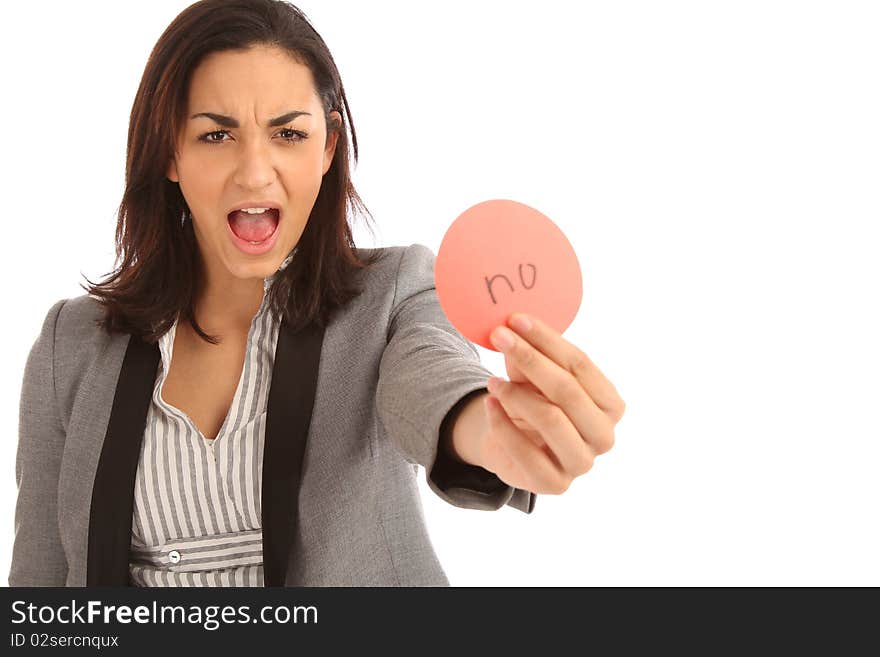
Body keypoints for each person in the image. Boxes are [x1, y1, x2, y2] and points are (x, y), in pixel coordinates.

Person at [9, 0, 624, 587]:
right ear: (170, 151)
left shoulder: (391, 295)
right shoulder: (72, 346)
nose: (254, 171)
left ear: (328, 147)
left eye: (289, 134)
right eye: (216, 136)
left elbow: (433, 380)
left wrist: (490, 434)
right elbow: (38, 587)